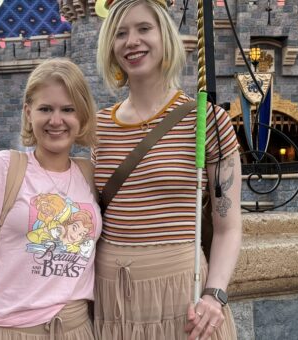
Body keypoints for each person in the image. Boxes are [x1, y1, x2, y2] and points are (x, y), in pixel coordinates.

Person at [92, 0, 242, 339]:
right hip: (112, 300)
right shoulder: (98, 127)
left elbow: (228, 227)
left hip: (182, 296)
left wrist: (215, 294)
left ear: (165, 36)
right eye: (120, 33)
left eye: (144, 29)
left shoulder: (207, 121)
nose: (132, 41)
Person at [0, 58, 102, 340]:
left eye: (67, 109)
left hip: (76, 330)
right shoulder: (3, 167)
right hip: (7, 330)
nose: (56, 120)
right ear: (28, 112)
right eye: (46, 108)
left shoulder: (89, 174)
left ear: (81, 116)